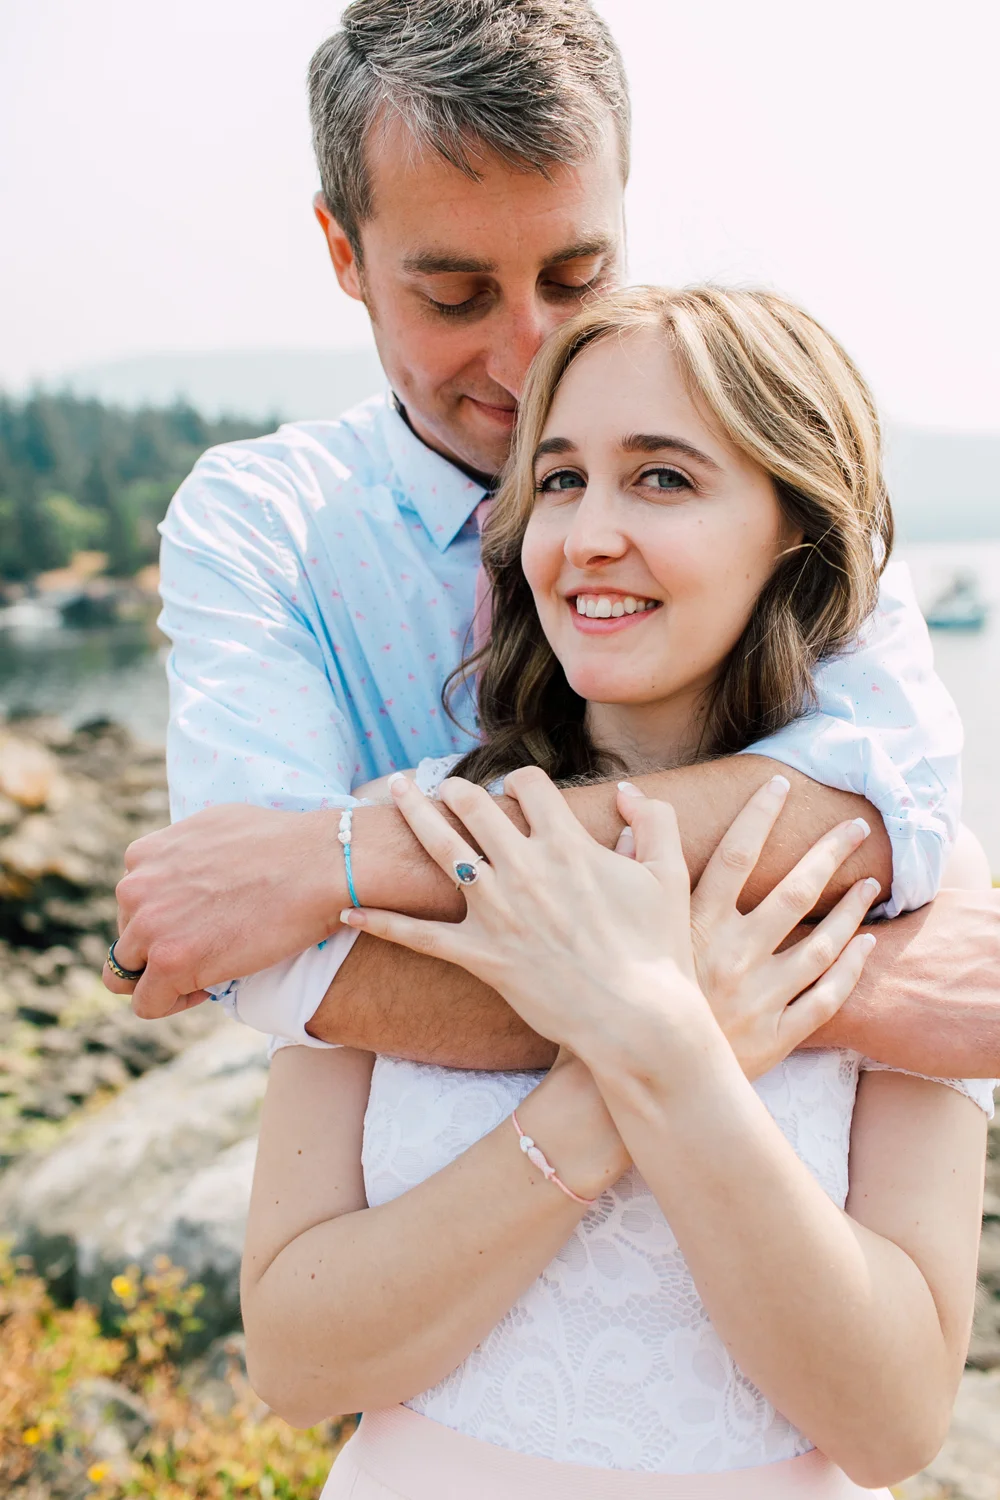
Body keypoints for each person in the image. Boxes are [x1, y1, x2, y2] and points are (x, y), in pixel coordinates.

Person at [103, 0, 1000, 1074]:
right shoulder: (262, 523)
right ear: (343, 250)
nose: (529, 356)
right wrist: (804, 988)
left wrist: (342, 857)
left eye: (577, 280)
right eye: (454, 295)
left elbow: (874, 810)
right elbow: (281, 956)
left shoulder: (772, 460)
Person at [241, 286, 994, 1497]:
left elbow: (896, 1420)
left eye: (661, 479)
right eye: (557, 479)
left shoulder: (902, 876)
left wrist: (679, 1070)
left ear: (793, 532)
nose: (587, 533)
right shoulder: (416, 835)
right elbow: (291, 1358)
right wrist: (622, 1075)